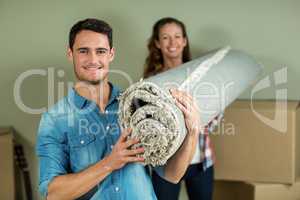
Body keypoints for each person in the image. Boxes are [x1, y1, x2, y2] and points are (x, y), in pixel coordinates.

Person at [36, 18, 203, 200]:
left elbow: (172, 175)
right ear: (70, 54)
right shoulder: (54, 119)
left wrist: (192, 131)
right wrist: (109, 163)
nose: (93, 60)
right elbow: (53, 193)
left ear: (111, 54)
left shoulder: (138, 103)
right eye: (83, 51)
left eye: (100, 51)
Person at [144, 17, 217, 200]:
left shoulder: (201, 74)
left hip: (200, 161)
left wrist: (195, 125)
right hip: (166, 164)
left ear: (184, 41)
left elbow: (216, 110)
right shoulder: (151, 81)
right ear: (157, 43)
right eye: (165, 37)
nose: (172, 43)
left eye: (177, 36)